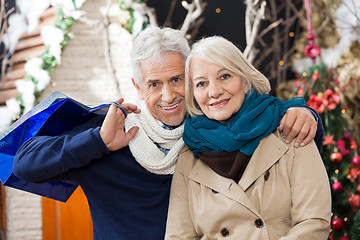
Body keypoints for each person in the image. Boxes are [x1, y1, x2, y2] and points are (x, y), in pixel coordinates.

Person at [13, 27, 323, 240]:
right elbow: (24, 164)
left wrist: (305, 114)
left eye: (177, 80)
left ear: (192, 78)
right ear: (137, 87)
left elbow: (278, 135)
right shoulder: (111, 131)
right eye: (154, 84)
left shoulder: (210, 133)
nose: (168, 95)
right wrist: (97, 142)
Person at [165, 36, 331, 240]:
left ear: (244, 82)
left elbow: (314, 223)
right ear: (194, 96)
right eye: (201, 84)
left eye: (224, 76)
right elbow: (178, 237)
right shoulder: (188, 157)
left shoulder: (290, 129)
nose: (214, 91)